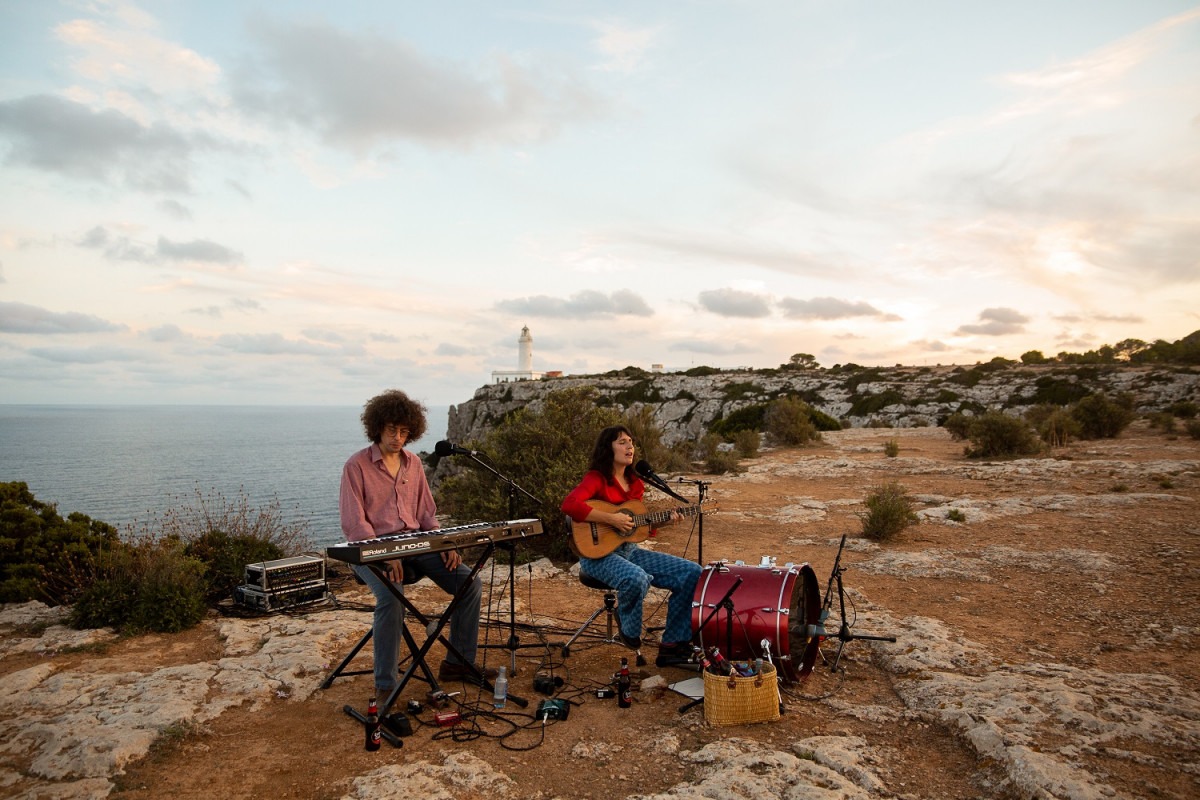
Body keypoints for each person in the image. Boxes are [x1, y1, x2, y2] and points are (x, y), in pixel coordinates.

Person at [339, 389, 496, 697]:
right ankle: (386, 684)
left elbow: (427, 517)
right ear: (377, 428)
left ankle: (458, 663)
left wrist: (444, 544)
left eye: (403, 432)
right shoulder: (356, 466)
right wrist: (384, 555)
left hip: (416, 544)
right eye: (391, 430)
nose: (397, 437)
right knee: (392, 597)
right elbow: (354, 524)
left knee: (469, 583)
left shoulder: (414, 464)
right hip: (369, 550)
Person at [561, 425, 703, 668]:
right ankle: (629, 630)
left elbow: (636, 527)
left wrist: (666, 522)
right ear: (609, 449)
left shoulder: (635, 483)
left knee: (692, 572)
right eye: (622, 442)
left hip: (629, 551)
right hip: (597, 556)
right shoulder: (596, 478)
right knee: (636, 578)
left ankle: (672, 645)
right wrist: (610, 518)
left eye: (631, 442)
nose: (630, 447)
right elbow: (569, 505)